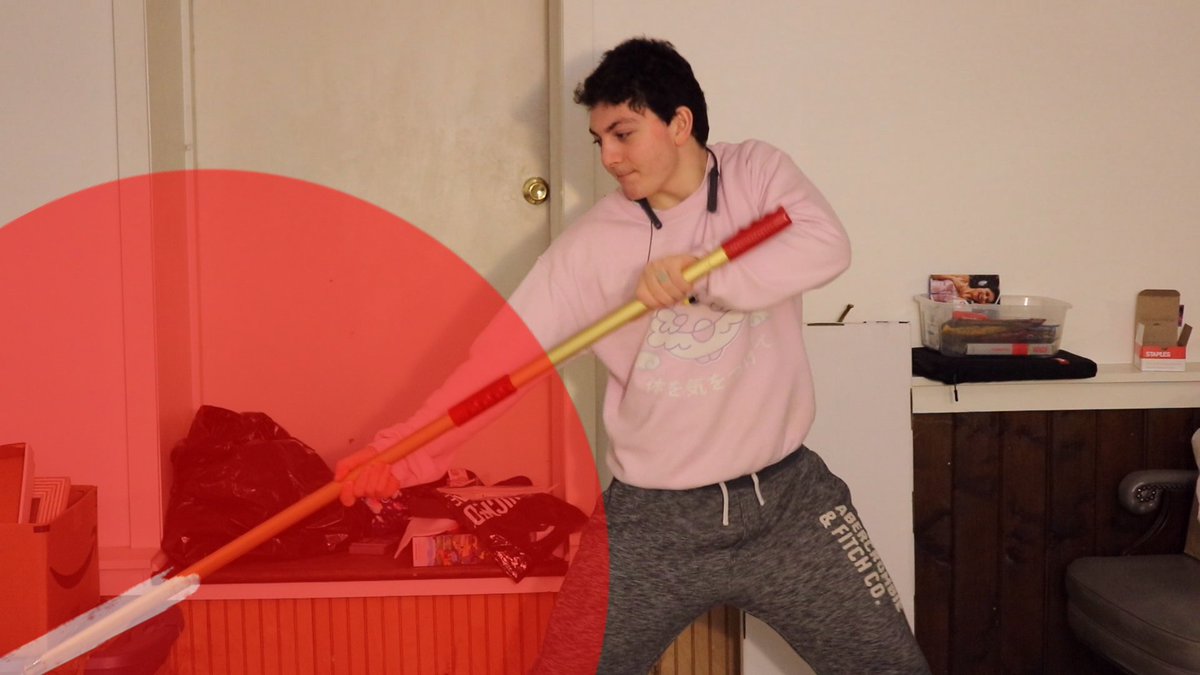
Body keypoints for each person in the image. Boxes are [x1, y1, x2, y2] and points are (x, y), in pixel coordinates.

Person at [337, 37, 931, 674]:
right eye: (600, 140)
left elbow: (825, 244)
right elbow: (498, 367)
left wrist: (703, 277)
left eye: (623, 134)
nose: (609, 158)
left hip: (787, 502)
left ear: (679, 123)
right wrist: (400, 454)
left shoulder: (755, 173)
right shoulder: (591, 247)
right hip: (652, 520)